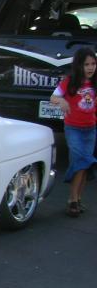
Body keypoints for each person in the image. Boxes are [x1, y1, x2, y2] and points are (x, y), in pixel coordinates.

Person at [49, 47, 97, 217]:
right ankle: (73, 199)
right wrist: (61, 101)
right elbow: (53, 97)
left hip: (90, 129)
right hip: (73, 128)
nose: (90, 68)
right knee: (79, 161)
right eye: (86, 64)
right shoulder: (69, 82)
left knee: (83, 164)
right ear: (78, 65)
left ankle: (76, 199)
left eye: (93, 64)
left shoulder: (94, 83)